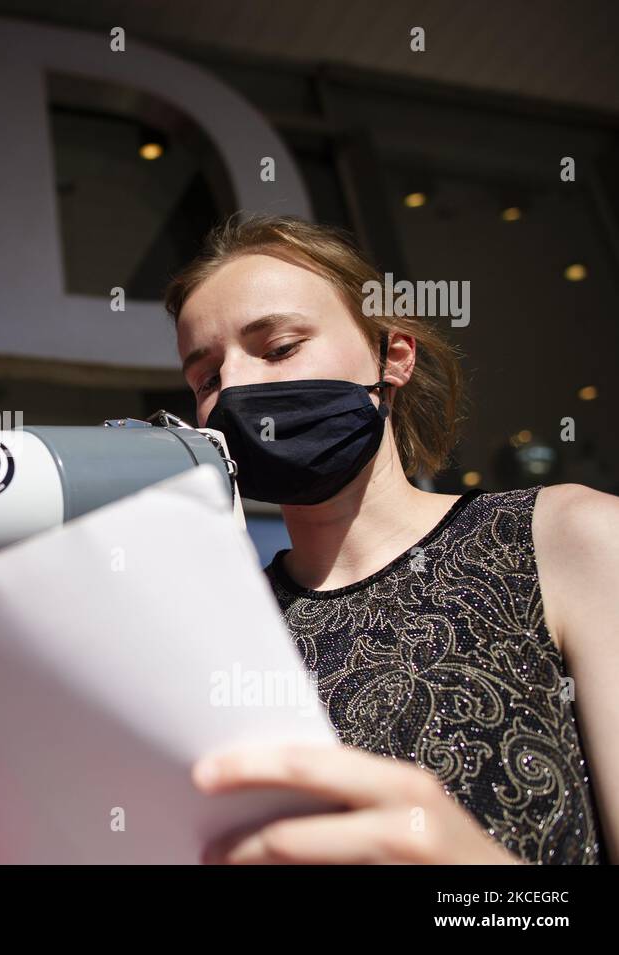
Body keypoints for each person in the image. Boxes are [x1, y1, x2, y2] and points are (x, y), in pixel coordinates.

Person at [165, 214, 617, 864]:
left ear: (393, 356)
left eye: (280, 346)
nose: (234, 388)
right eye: (206, 378)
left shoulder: (567, 539)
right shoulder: (226, 631)